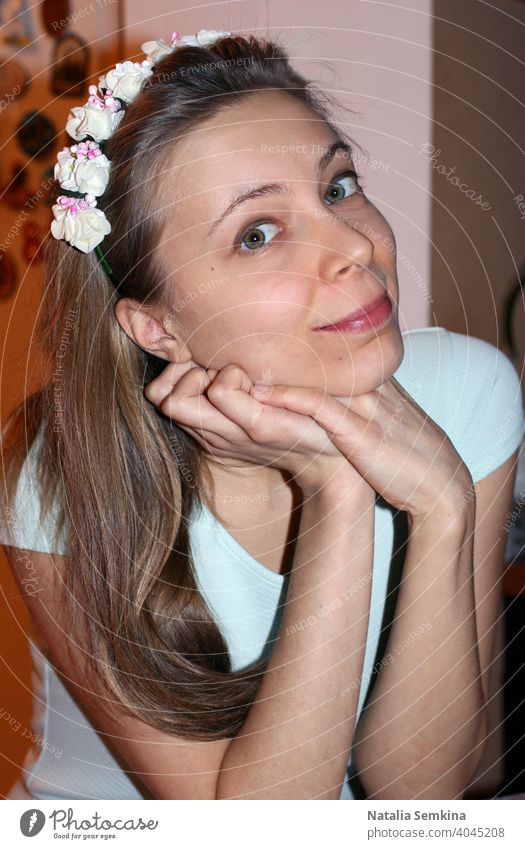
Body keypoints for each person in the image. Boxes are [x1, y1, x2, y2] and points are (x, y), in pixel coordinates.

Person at [1, 29, 524, 801]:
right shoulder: (62, 472)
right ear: (157, 328)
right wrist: (337, 489)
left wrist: (443, 506)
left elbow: (426, 795)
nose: (353, 245)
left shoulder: (466, 390)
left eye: (337, 186)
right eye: (257, 233)